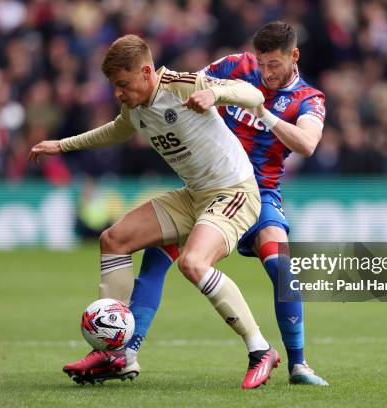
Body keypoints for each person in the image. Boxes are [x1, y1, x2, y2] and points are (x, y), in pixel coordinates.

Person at [28, 34, 279, 389]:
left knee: (193, 263)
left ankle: (261, 349)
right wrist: (61, 145)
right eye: (115, 85)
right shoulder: (134, 107)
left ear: (146, 72)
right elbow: (116, 131)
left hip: (233, 193)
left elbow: (253, 95)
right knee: (113, 239)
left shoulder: (182, 85)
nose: (118, 92)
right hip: (193, 197)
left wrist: (215, 94)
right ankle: (115, 352)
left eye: (123, 84)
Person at [122, 21, 329, 385]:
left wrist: (263, 111)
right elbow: (188, 90)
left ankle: (299, 364)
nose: (265, 73)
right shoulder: (237, 66)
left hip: (260, 194)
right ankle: (126, 353)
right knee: (156, 257)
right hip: (208, 185)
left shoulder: (309, 99)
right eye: (261, 63)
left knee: (281, 267)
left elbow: (307, 145)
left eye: (275, 65)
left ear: (294, 56)